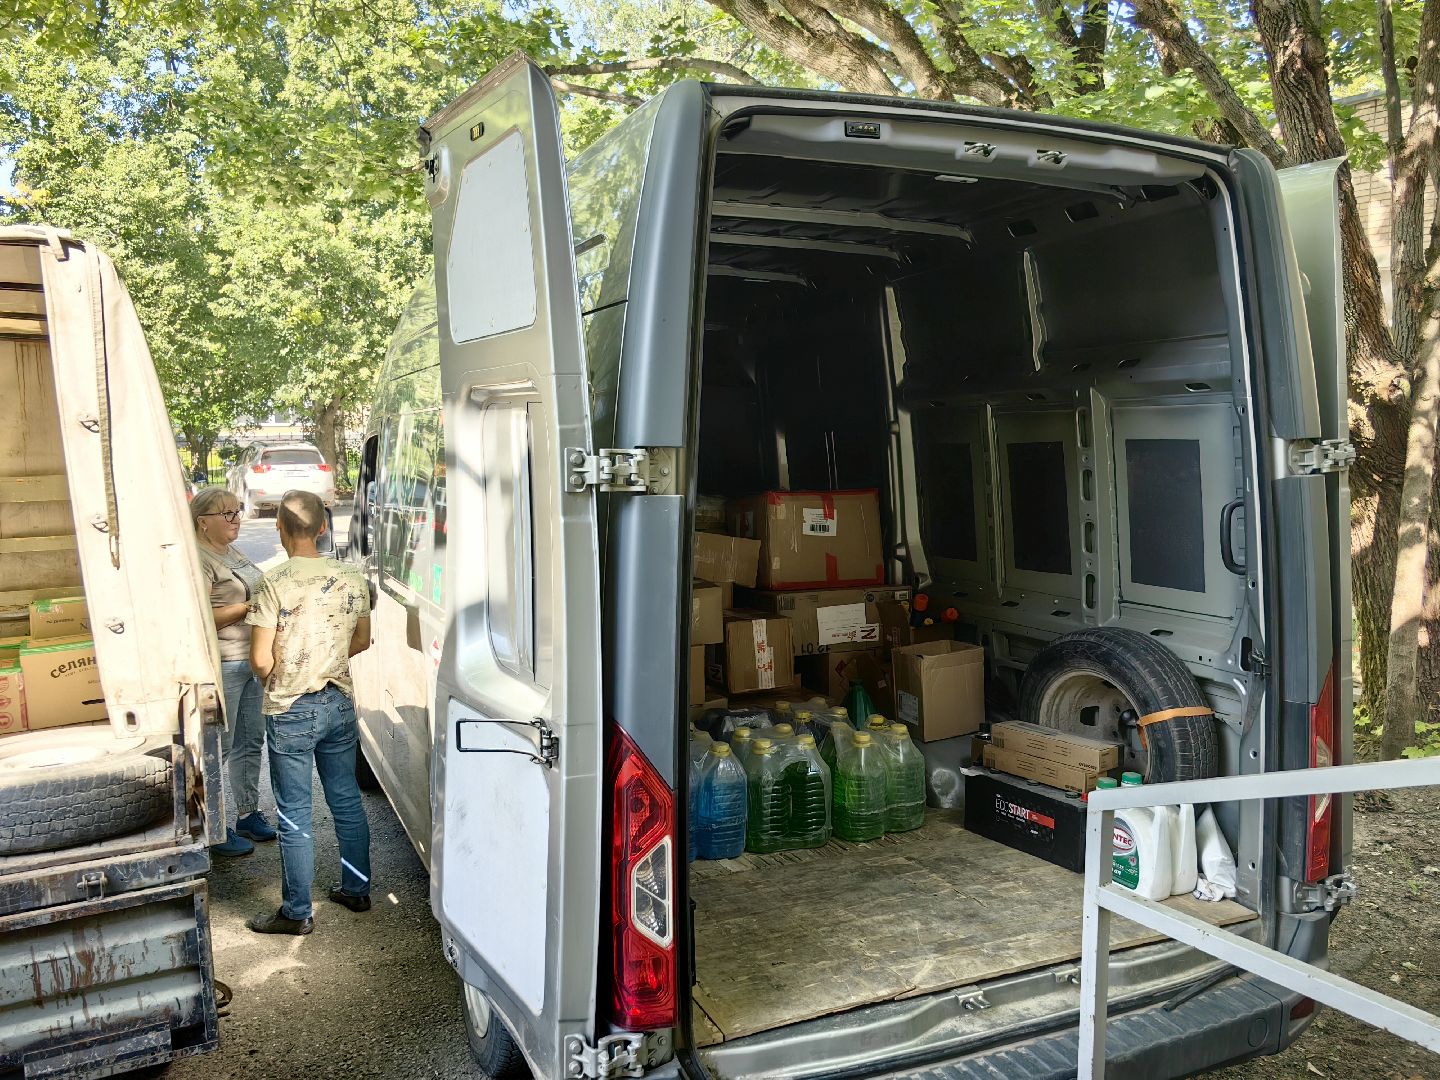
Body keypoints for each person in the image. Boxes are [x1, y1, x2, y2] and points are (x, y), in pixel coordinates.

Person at [245, 490, 373, 935]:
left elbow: (260, 660)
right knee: (346, 800)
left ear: (279, 527)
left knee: (295, 811)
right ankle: (356, 888)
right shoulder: (353, 577)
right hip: (338, 701)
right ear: (323, 528)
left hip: (291, 706)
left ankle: (297, 913)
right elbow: (361, 641)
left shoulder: (272, 582)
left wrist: (280, 676)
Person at [191, 487, 277, 857]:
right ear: (202, 522)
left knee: (250, 740)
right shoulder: (200, 558)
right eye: (226, 513)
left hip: (250, 660)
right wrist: (248, 608)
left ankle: (247, 812)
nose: (236, 518)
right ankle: (213, 828)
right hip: (223, 663)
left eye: (237, 510)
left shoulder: (232, 551)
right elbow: (200, 617)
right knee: (219, 748)